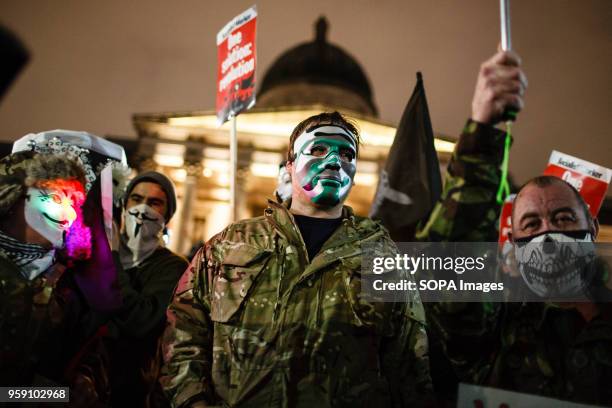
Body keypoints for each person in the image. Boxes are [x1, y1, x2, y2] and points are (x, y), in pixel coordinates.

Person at [160, 112, 432, 407]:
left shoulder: (383, 256)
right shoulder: (229, 244)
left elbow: (410, 367)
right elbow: (183, 335)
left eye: (346, 153)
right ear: (289, 164)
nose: (333, 161)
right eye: (317, 149)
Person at [417, 49, 612, 405]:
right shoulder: (496, 327)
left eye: (564, 218)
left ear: (593, 227)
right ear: (515, 241)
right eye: (531, 223)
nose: (549, 234)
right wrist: (482, 133)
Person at [0, 150, 106, 394]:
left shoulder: (76, 286)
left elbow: (91, 367)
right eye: (55, 198)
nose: (68, 214)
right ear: (14, 196)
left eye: (75, 202)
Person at [100, 171, 188, 407]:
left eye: (154, 203)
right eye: (136, 199)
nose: (142, 209)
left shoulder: (174, 267)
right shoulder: (97, 255)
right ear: (124, 204)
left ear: (166, 216)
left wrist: (112, 258)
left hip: (128, 391)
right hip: (80, 385)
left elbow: (140, 321)